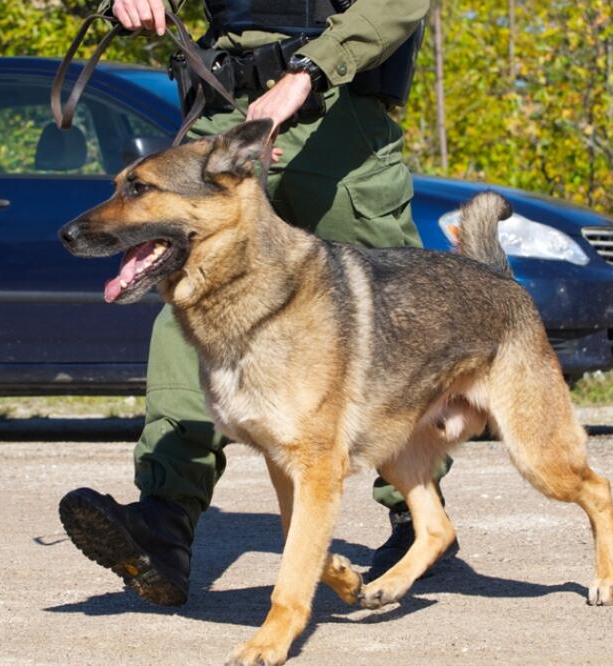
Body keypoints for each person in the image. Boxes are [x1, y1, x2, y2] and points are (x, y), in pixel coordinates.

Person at [59, 0, 456, 607]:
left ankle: (416, 519)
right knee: (189, 292)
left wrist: (309, 71)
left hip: (335, 113)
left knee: (392, 318)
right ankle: (163, 521)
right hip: (226, 109)